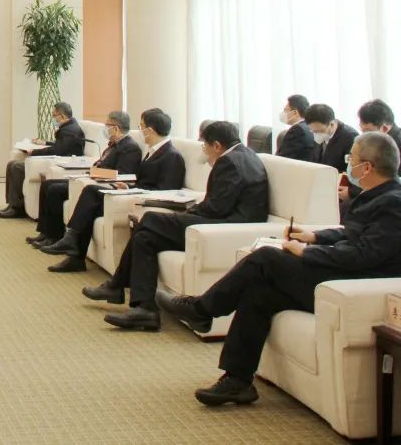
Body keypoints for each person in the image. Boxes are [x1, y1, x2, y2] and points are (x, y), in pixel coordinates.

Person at [158, 131, 401, 406]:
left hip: (351, 283)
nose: (348, 165)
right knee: (259, 292)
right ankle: (237, 381)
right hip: (341, 273)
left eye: (351, 159)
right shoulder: (374, 196)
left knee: (265, 258)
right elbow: (351, 233)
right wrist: (315, 236)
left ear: (366, 167)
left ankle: (202, 309)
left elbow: (365, 255)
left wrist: (308, 252)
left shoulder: (394, 203)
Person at [84, 121, 269, 331]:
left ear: (217, 145)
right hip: (226, 222)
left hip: (224, 228)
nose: (204, 151)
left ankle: (117, 286)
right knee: (145, 238)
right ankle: (144, 309)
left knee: (150, 219)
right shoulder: (245, 155)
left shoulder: (229, 162)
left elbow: (216, 208)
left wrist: (188, 212)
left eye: (205, 145)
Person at [42, 109, 186, 272]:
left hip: (140, 201)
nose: (139, 130)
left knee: (91, 193)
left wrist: (132, 189)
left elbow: (165, 191)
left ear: (150, 130)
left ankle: (72, 241)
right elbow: (142, 179)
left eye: (141, 126)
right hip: (132, 194)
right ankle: (75, 253)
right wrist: (129, 187)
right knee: (90, 199)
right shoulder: (153, 152)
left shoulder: (171, 156)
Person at [29, 111, 141, 248]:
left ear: (116, 128)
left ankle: (55, 236)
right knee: (47, 184)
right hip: (92, 178)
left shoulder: (130, 148)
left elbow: (123, 174)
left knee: (55, 190)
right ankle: (45, 232)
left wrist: (95, 173)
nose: (105, 128)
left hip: (102, 184)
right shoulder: (114, 144)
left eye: (107, 125)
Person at [0, 102, 85, 219]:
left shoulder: (70, 130)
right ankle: (12, 205)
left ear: (62, 116)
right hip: (56, 159)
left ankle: (17, 208)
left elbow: (57, 150)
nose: (53, 119)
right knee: (12, 164)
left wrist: (34, 152)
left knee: (16, 166)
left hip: (58, 163)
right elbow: (61, 145)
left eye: (54, 116)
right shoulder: (69, 127)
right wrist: (44, 142)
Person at [342, 99, 401, 201]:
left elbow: (385, 181)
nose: (364, 135)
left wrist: (352, 193)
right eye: (362, 130)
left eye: (368, 131)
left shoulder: (391, 146)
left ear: (384, 128)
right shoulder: (376, 140)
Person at [304, 103, 359, 174]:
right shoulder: (317, 132)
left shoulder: (350, 136)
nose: (316, 134)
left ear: (332, 124)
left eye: (318, 131)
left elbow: (350, 169)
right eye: (312, 131)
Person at [275, 94, 315, 161]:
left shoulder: (297, 130)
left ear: (295, 113)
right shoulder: (308, 126)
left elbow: (283, 158)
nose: (283, 113)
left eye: (285, 110)